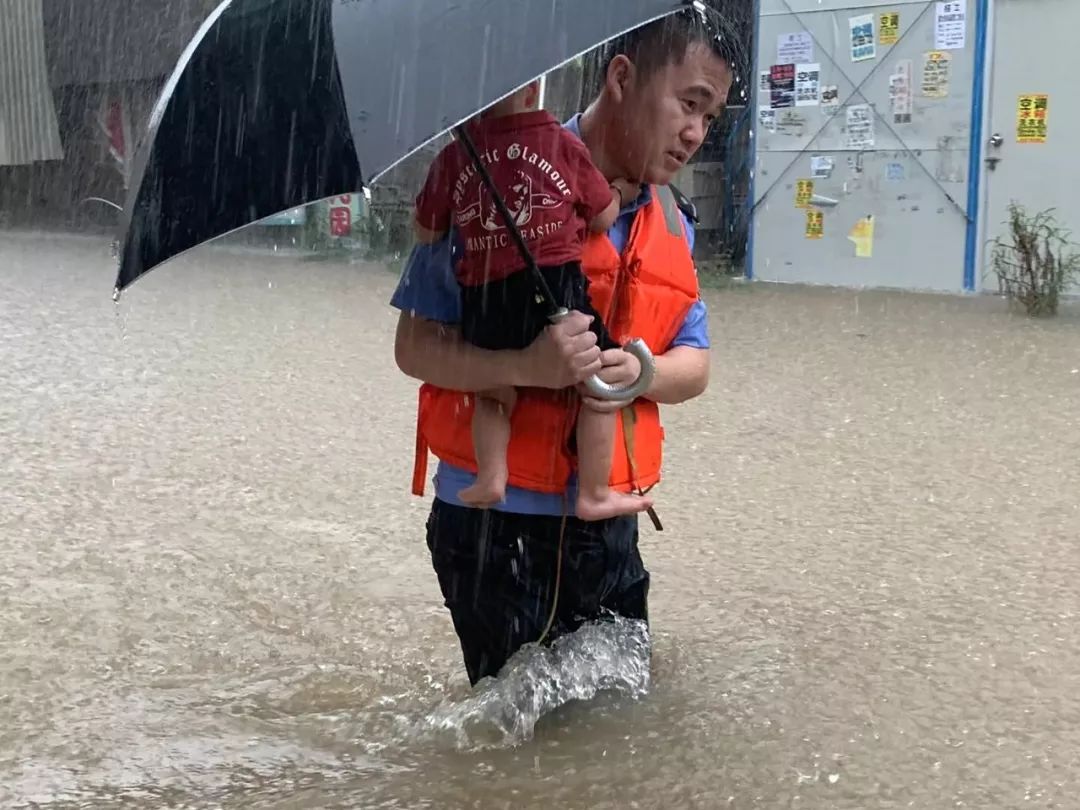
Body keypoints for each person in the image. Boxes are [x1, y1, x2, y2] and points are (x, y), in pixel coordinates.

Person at [391, 9, 736, 686]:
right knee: (516, 748)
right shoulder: (487, 184)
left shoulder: (673, 218)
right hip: (494, 526)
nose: (696, 133)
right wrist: (522, 367)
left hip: (605, 525)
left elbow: (695, 365)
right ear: (621, 78)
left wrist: (641, 372)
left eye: (711, 118)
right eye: (688, 105)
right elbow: (414, 348)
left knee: (617, 731)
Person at [410, 77, 652, 521]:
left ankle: (491, 476)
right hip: (552, 288)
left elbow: (427, 231)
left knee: (492, 390)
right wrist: (618, 194)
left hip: (482, 294)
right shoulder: (560, 143)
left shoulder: (453, 155)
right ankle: (594, 493)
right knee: (600, 385)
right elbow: (601, 217)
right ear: (532, 88)